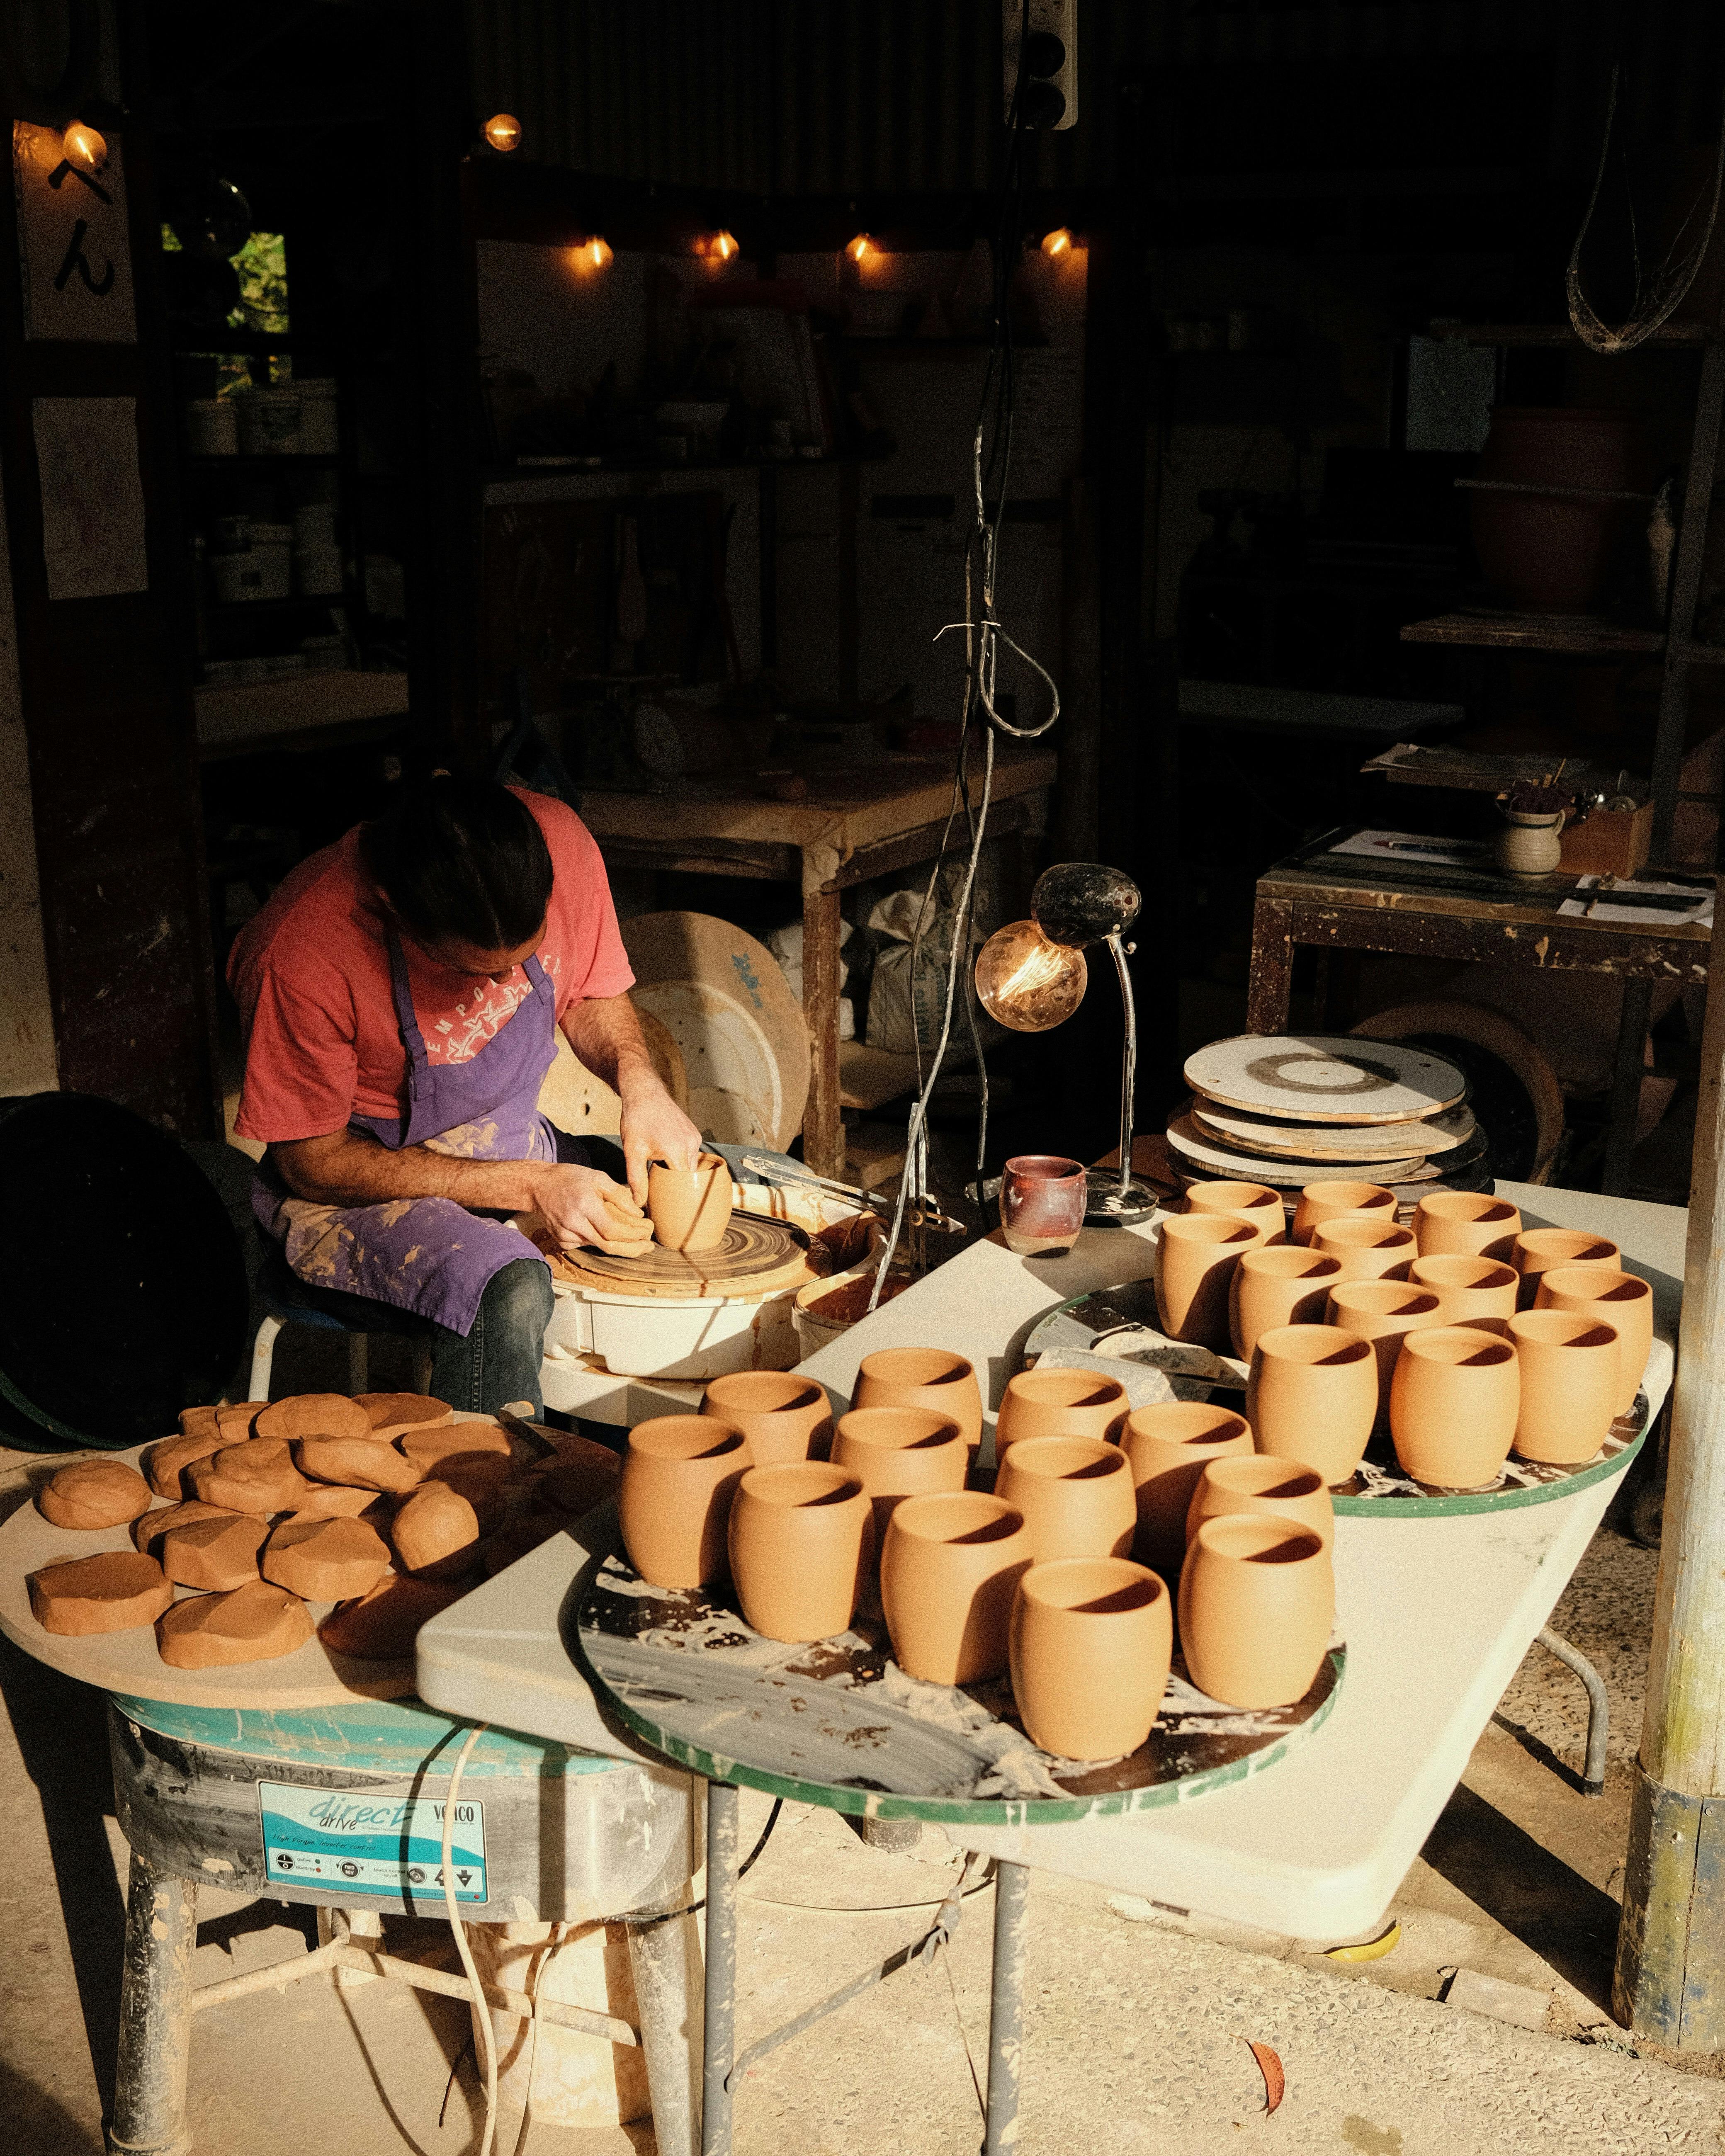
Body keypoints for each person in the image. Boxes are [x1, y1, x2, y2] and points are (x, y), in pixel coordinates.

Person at [228, 775, 703, 1411]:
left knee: (750, 1181)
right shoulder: (300, 954)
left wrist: (639, 1081)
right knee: (508, 1288)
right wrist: (532, 1186)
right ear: (394, 906)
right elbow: (312, 1164)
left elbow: (589, 989)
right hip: (351, 1197)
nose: (508, 983)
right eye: (476, 971)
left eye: (525, 957)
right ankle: (492, 1497)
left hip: (515, 1144)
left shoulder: (561, 840)